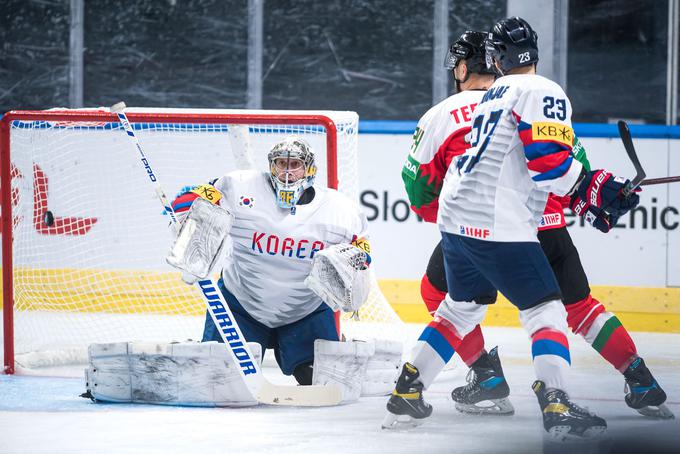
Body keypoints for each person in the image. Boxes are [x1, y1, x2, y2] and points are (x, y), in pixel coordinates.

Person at [385, 18, 641, 440]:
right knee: (546, 311)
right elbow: (549, 163)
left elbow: (522, 161)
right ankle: (556, 403)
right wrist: (594, 186)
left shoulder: (493, 96)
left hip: (456, 220)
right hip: (498, 223)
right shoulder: (542, 90)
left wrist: (591, 188)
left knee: (459, 307)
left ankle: (408, 390)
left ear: (498, 58)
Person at [170, 136, 371, 385]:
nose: (286, 172)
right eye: (280, 163)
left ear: (309, 169)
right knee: (221, 381)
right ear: (271, 165)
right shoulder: (238, 186)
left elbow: (362, 255)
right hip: (241, 306)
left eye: (294, 164)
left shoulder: (341, 211)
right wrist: (187, 212)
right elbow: (189, 201)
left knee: (321, 382)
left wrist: (354, 266)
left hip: (305, 311)